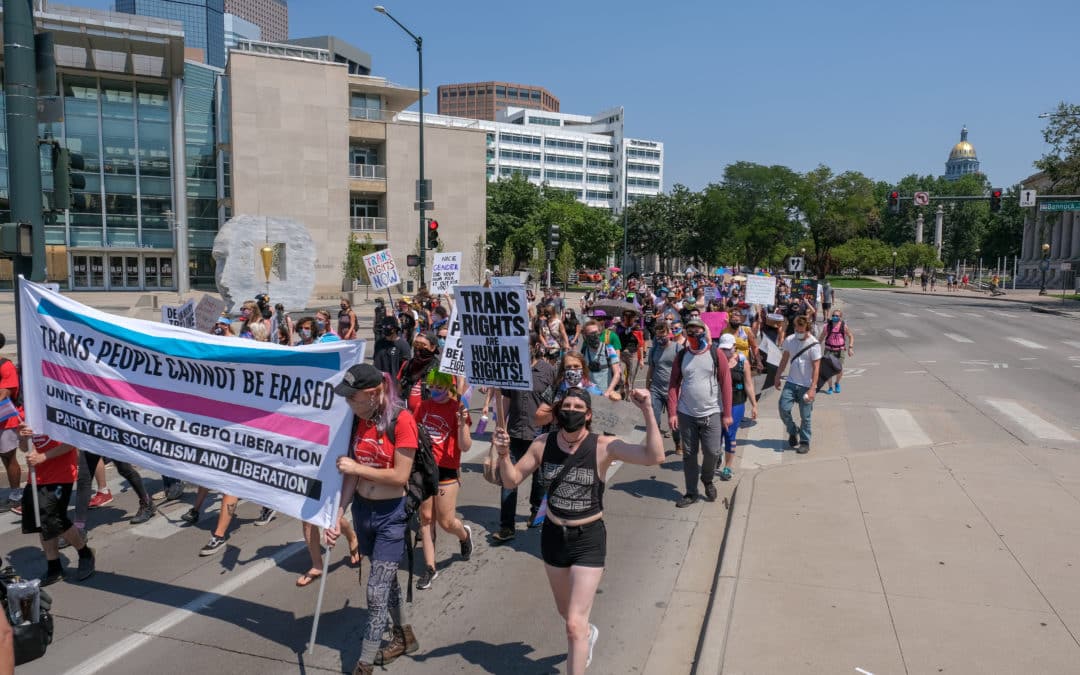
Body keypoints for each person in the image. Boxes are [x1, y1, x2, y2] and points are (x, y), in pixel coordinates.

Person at [491, 386, 664, 675]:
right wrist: (504, 454)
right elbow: (511, 481)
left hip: (588, 538)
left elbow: (653, 456)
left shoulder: (603, 446)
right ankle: (587, 633)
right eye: (566, 406)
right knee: (568, 615)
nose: (571, 411)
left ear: (588, 415)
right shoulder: (542, 444)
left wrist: (647, 409)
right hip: (553, 537)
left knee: (573, 624)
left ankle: (581, 638)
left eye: (577, 408)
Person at [326, 365, 420, 673]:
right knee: (387, 578)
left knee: (375, 591)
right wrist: (337, 517)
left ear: (373, 393)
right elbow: (350, 479)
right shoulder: (358, 421)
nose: (348, 402)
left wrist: (356, 468)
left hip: (392, 515)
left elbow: (400, 476)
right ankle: (405, 634)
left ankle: (363, 663)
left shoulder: (402, 420)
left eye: (352, 397)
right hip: (363, 513)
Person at [413, 370, 474, 589]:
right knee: (426, 518)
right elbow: (413, 434)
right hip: (425, 470)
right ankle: (430, 567)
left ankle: (463, 535)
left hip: (447, 471)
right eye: (432, 386)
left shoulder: (458, 409)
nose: (435, 390)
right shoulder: (423, 407)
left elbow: (465, 446)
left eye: (440, 386)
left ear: (449, 387)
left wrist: (461, 423)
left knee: (446, 522)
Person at [493, 333, 555, 543]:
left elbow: (554, 403)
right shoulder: (512, 368)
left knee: (539, 480)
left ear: (535, 346)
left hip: (540, 436)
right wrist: (500, 428)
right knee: (508, 481)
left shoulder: (548, 371)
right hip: (515, 434)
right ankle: (506, 526)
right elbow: (506, 400)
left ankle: (536, 512)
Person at [17, 422, 95, 585]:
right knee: (41, 521)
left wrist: (43, 457)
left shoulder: (57, 409)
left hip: (61, 474)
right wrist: (23, 437)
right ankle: (54, 566)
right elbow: (25, 448)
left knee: (55, 517)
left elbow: (71, 442)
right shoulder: (29, 412)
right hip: (37, 477)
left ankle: (85, 553)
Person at [667, 317, 733, 507]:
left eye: (698, 329)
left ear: (704, 331)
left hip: (712, 412)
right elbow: (673, 385)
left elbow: (726, 383)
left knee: (712, 452)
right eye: (690, 330)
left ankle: (707, 478)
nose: (694, 333)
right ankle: (691, 492)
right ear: (686, 333)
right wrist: (672, 412)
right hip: (686, 413)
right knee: (689, 454)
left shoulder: (716, 353)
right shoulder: (681, 356)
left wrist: (727, 414)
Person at [775, 316, 822, 454]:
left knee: (805, 416)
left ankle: (804, 441)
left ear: (808, 329)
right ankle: (792, 430)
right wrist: (777, 376)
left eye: (801, 330)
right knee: (783, 408)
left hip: (806, 386)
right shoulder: (790, 340)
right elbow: (784, 359)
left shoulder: (814, 344)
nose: (798, 332)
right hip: (791, 382)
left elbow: (816, 368)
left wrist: (813, 388)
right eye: (796, 329)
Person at [718, 334, 756, 481]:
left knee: (729, 434)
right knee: (715, 436)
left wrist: (754, 405)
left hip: (737, 403)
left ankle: (728, 467)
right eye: (723, 349)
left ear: (734, 347)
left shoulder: (742, 362)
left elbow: (748, 384)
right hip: (718, 404)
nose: (726, 352)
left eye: (729, 348)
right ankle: (717, 454)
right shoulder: (716, 361)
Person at [645, 320, 682, 455]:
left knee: (674, 421)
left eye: (663, 335)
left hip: (673, 390)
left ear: (669, 333)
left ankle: (678, 443)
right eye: (658, 336)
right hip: (656, 389)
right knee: (654, 420)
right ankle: (656, 448)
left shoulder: (678, 349)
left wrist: (682, 387)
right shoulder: (654, 350)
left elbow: (685, 370)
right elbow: (651, 369)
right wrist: (647, 388)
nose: (661, 338)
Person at [0, 338, 22, 514]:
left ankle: (16, 495)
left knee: (9, 457)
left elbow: (4, 393)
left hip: (6, 420)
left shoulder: (5, 366)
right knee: (4, 457)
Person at [579, 320, 622, 401]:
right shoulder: (584, 350)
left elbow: (617, 374)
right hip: (589, 394)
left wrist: (608, 392)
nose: (594, 336)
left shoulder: (608, 348)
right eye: (591, 334)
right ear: (585, 336)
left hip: (605, 393)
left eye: (596, 333)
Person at [818, 309, 853, 394]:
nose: (834, 317)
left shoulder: (843, 326)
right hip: (829, 350)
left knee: (839, 370)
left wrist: (850, 347)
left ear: (840, 317)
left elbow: (851, 336)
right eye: (833, 315)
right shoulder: (827, 326)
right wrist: (816, 345)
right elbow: (822, 336)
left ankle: (837, 383)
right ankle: (830, 387)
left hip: (840, 350)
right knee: (828, 370)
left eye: (837, 316)